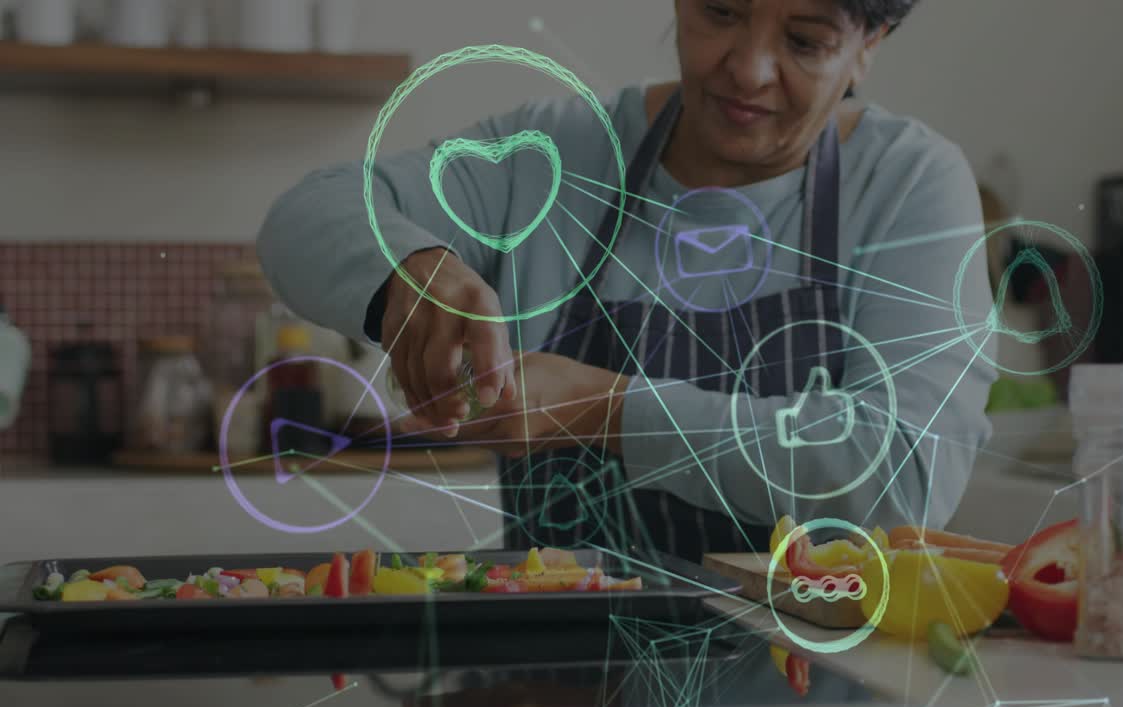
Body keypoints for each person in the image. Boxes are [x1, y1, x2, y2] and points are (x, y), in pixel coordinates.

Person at [258, 0, 996, 562]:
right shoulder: (553, 157)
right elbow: (303, 216)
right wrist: (409, 270)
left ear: (867, 47)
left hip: (811, 688)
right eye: (721, 11)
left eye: (804, 42)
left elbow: (900, 475)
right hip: (551, 685)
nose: (749, 68)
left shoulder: (906, 184)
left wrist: (603, 409)